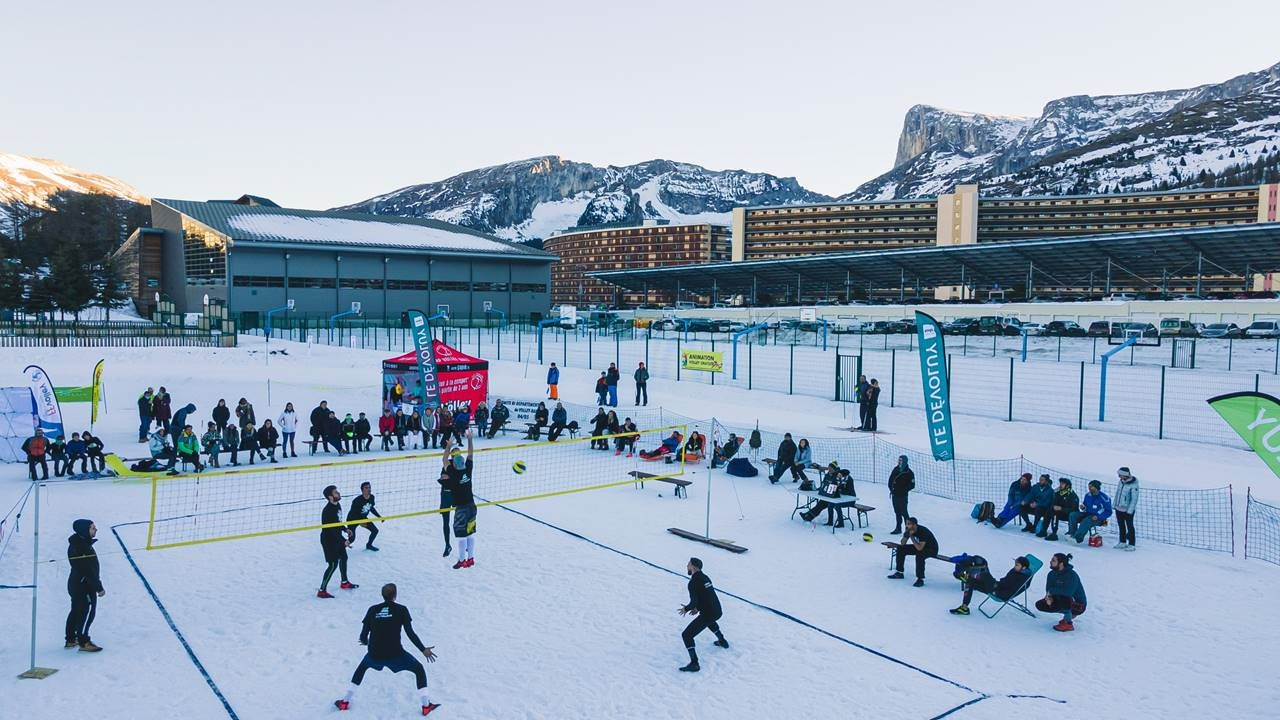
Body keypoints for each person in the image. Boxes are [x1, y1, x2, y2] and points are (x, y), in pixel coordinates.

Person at [334, 583, 439, 715]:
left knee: (361, 669)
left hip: (374, 655)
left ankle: (345, 702)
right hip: (396, 655)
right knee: (419, 669)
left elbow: (363, 635)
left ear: (382, 595)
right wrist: (423, 650)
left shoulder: (372, 609)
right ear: (395, 595)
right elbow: (410, 633)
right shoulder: (401, 609)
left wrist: (366, 642)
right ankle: (425, 706)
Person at [677, 557, 728, 672]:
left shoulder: (693, 582)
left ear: (693, 567)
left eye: (688, 564)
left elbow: (694, 601)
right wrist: (698, 608)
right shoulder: (705, 578)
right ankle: (722, 641)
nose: (687, 566)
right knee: (708, 622)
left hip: (709, 613)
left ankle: (694, 663)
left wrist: (687, 608)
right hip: (717, 610)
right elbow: (706, 596)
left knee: (687, 635)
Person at [65, 519, 105, 652]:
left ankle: (71, 639)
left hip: (77, 584)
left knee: (76, 610)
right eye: (93, 528)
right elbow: (88, 571)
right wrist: (98, 587)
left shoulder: (81, 543)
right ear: (84, 530)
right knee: (87, 612)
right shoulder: (80, 547)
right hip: (83, 585)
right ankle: (84, 642)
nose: (96, 530)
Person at [950, 555, 1031, 616]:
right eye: (1015, 564)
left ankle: (967, 576)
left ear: (1023, 567)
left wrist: (997, 585)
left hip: (1000, 593)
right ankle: (964, 607)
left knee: (985, 575)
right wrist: (997, 584)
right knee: (971, 581)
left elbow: (1011, 588)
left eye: (1017, 565)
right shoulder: (1015, 571)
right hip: (997, 586)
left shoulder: (1023, 578)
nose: (1014, 566)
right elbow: (1005, 580)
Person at [442, 431, 477, 569]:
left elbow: (444, 460)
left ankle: (462, 560)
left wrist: (448, 446)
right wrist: (469, 439)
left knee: (461, 535)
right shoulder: (467, 470)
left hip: (461, 509)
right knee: (471, 532)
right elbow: (470, 454)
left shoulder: (453, 474)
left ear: (454, 464)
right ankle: (471, 559)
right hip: (472, 506)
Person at [318, 485, 357, 598]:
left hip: (336, 537)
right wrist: (343, 541)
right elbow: (331, 530)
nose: (338, 493)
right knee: (333, 564)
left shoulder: (337, 505)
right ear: (330, 497)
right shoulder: (327, 511)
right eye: (335, 492)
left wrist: (345, 529)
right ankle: (322, 590)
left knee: (344, 558)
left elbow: (337, 523)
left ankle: (344, 582)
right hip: (328, 540)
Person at [1035, 552, 1087, 631]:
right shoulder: (1051, 574)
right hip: (1061, 598)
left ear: (1061, 564)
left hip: (1078, 605)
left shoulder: (1072, 575)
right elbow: (1048, 589)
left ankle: (1068, 623)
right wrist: (1049, 598)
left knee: (1065, 600)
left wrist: (1052, 591)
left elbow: (1068, 593)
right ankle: (1068, 614)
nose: (1050, 561)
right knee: (1040, 605)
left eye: (1053, 560)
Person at [887, 517, 938, 587]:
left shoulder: (923, 531)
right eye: (906, 524)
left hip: (931, 549)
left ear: (914, 525)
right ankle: (899, 572)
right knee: (901, 549)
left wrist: (911, 536)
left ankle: (920, 579)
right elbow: (902, 543)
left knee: (920, 555)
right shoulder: (909, 530)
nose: (906, 526)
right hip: (920, 546)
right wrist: (906, 535)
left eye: (908, 524)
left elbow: (919, 548)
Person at [346, 481, 383, 551]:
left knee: (375, 531)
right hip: (352, 519)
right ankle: (339, 550)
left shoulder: (372, 497)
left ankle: (369, 545)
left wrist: (379, 516)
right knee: (351, 539)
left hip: (363, 518)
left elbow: (371, 507)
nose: (369, 489)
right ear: (362, 490)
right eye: (366, 488)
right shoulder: (357, 500)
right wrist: (361, 523)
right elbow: (354, 514)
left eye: (369, 487)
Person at [1113, 466, 1140, 551]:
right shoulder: (1121, 481)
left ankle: (1132, 544)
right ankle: (1122, 542)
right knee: (1121, 525)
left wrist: (1130, 510)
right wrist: (1114, 504)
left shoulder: (1134, 484)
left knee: (1130, 526)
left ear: (1125, 475)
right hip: (1119, 508)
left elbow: (1134, 498)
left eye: (1120, 475)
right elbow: (1117, 493)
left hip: (1127, 510)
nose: (1119, 476)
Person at [888, 455, 915, 534]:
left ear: (904, 461)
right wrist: (891, 489)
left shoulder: (909, 472)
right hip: (895, 495)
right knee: (897, 512)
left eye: (901, 460)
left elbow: (912, 485)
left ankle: (908, 529)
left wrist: (903, 490)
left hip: (902, 496)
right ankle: (898, 528)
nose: (899, 462)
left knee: (904, 513)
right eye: (898, 460)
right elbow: (891, 479)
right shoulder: (896, 469)